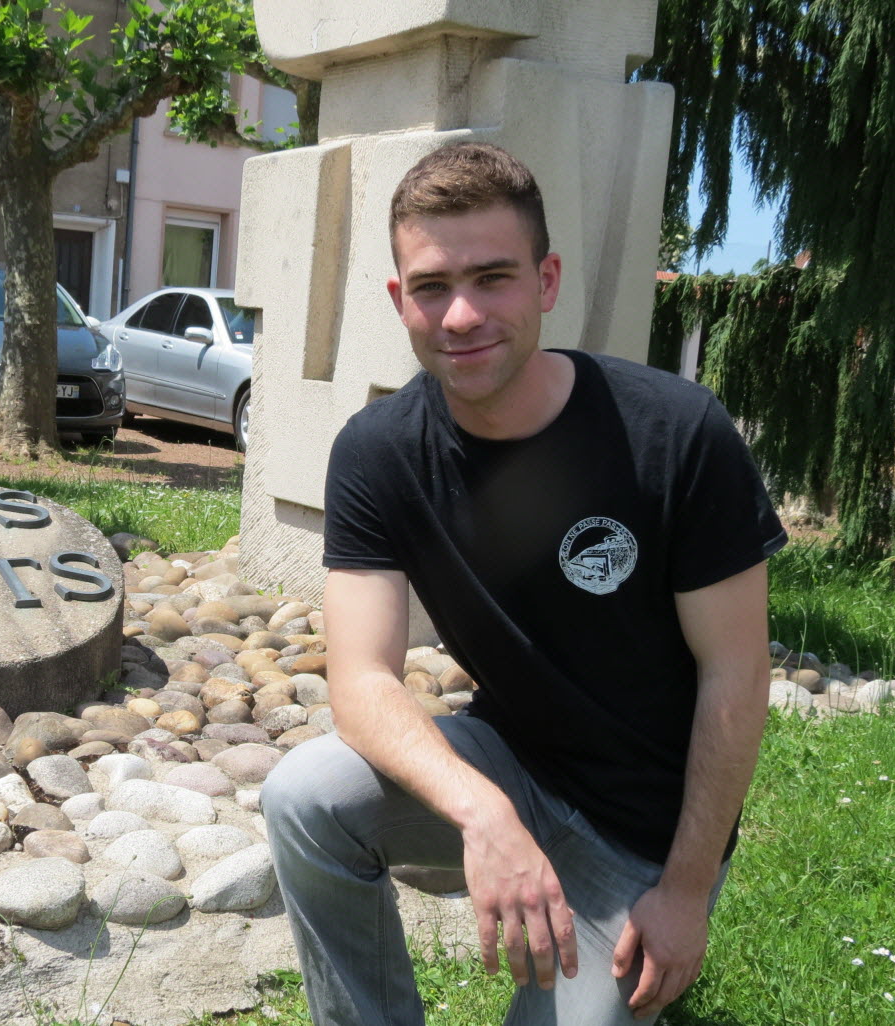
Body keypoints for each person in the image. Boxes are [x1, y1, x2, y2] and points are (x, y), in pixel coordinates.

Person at [260, 142, 787, 1026]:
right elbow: (359, 679)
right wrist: (484, 816)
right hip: (511, 770)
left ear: (544, 282)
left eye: (492, 278)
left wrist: (686, 892)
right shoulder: (378, 452)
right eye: (431, 286)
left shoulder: (675, 434)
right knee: (307, 795)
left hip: (642, 837)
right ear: (400, 301)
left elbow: (735, 677)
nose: (461, 314)